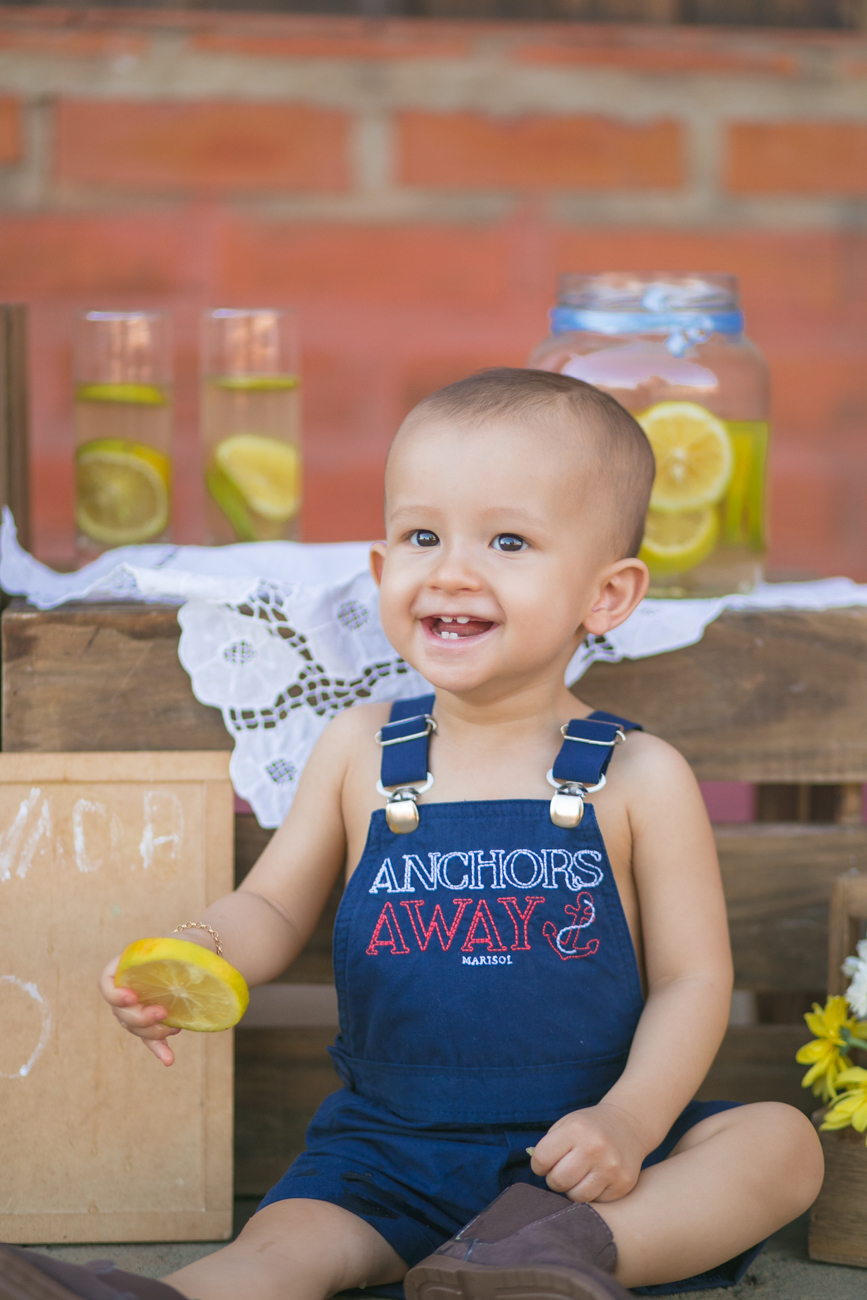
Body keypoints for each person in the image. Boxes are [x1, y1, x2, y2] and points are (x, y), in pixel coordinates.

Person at [4, 369, 823, 1300]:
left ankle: (546, 1262)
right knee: (282, 1249)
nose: (452, 569)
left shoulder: (637, 775)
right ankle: (149, 1296)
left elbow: (690, 979)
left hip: (581, 1159)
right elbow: (271, 901)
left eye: (507, 539)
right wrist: (194, 953)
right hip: (385, 1152)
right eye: (422, 535)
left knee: (778, 1144)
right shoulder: (360, 750)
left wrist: (630, 1123)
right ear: (384, 571)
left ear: (607, 595)